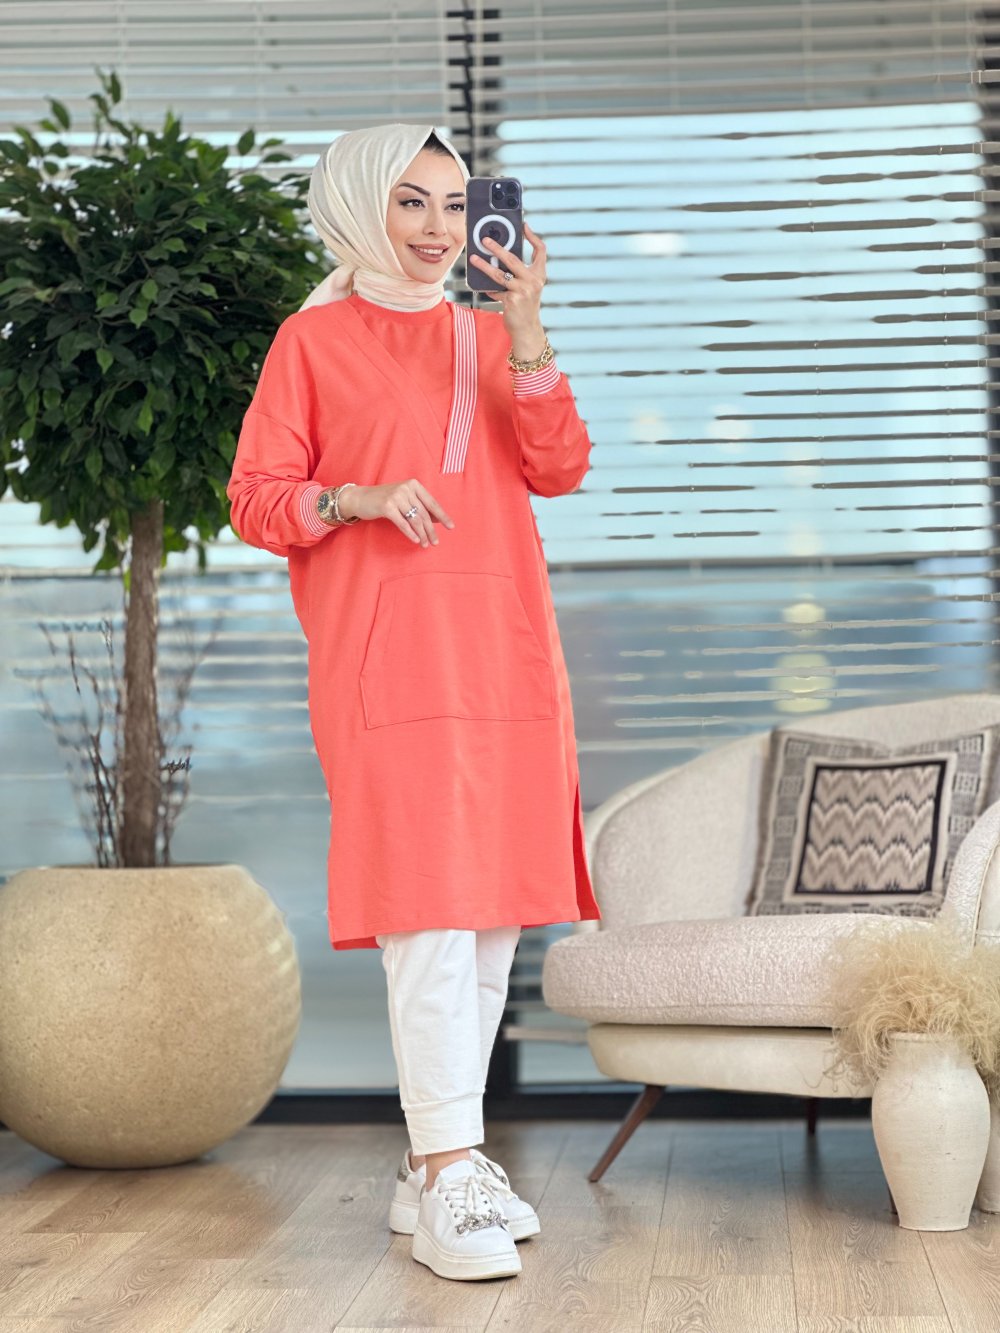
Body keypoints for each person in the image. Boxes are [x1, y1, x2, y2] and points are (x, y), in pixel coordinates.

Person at [226, 122, 602, 1282]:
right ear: (357, 208)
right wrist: (356, 497)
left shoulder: (489, 335)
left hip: (506, 653)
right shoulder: (311, 340)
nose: (438, 228)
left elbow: (559, 467)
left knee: (489, 916)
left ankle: (434, 1164)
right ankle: (449, 1171)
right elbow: (256, 497)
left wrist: (526, 325)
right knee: (429, 908)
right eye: (411, 203)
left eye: (452, 203)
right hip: (387, 660)